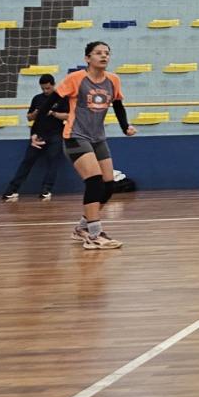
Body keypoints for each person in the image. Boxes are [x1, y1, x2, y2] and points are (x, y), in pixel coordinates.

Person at [55, 40, 137, 249]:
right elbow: (52, 99)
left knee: (108, 185)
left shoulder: (113, 80)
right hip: (75, 136)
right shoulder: (76, 79)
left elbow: (118, 104)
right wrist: (37, 128)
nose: (104, 56)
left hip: (98, 138)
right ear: (87, 58)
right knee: (94, 181)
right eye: (98, 53)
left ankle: (82, 227)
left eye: (107, 53)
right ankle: (94, 234)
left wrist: (125, 127)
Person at [0, 73, 68, 202]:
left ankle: (46, 190)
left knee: (53, 161)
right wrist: (36, 113)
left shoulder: (62, 98)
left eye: (48, 88)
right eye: (43, 88)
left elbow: (68, 116)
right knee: (27, 161)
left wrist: (53, 113)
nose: (45, 91)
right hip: (38, 135)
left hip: (55, 135)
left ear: (53, 85)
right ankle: (12, 190)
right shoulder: (37, 98)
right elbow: (29, 117)